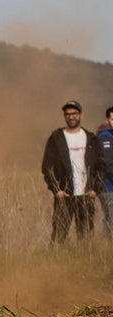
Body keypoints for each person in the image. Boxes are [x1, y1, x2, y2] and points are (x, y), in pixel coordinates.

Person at [42, 100, 102, 243]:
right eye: (67, 114)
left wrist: (95, 189)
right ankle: (55, 263)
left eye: (74, 113)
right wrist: (56, 190)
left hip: (86, 195)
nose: (71, 117)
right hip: (65, 195)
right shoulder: (56, 139)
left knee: (86, 237)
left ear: (81, 115)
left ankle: (84, 263)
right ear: (64, 116)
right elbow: (47, 167)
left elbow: (101, 166)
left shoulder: (91, 139)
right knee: (58, 236)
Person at [97, 107, 113, 235]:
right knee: (111, 220)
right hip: (108, 187)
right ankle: (107, 248)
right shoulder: (105, 136)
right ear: (108, 120)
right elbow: (108, 164)